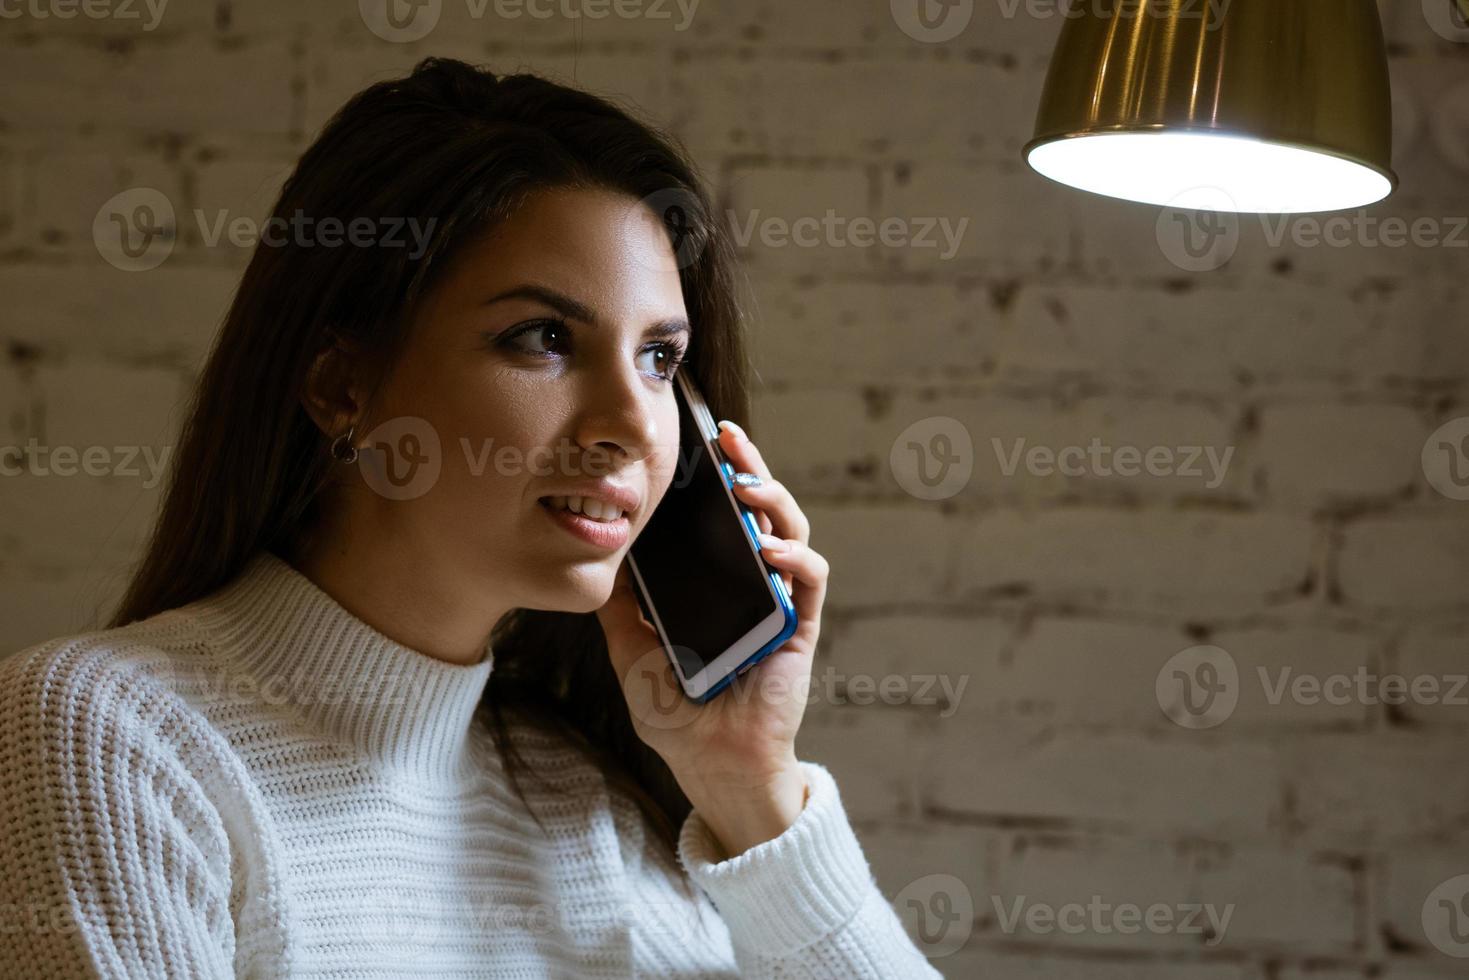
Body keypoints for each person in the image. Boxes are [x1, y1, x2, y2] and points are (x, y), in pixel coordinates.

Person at [0, 57, 943, 978]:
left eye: (660, 360)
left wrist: (749, 785)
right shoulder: (111, 739)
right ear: (340, 386)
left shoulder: (585, 808)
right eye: (543, 339)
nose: (630, 427)